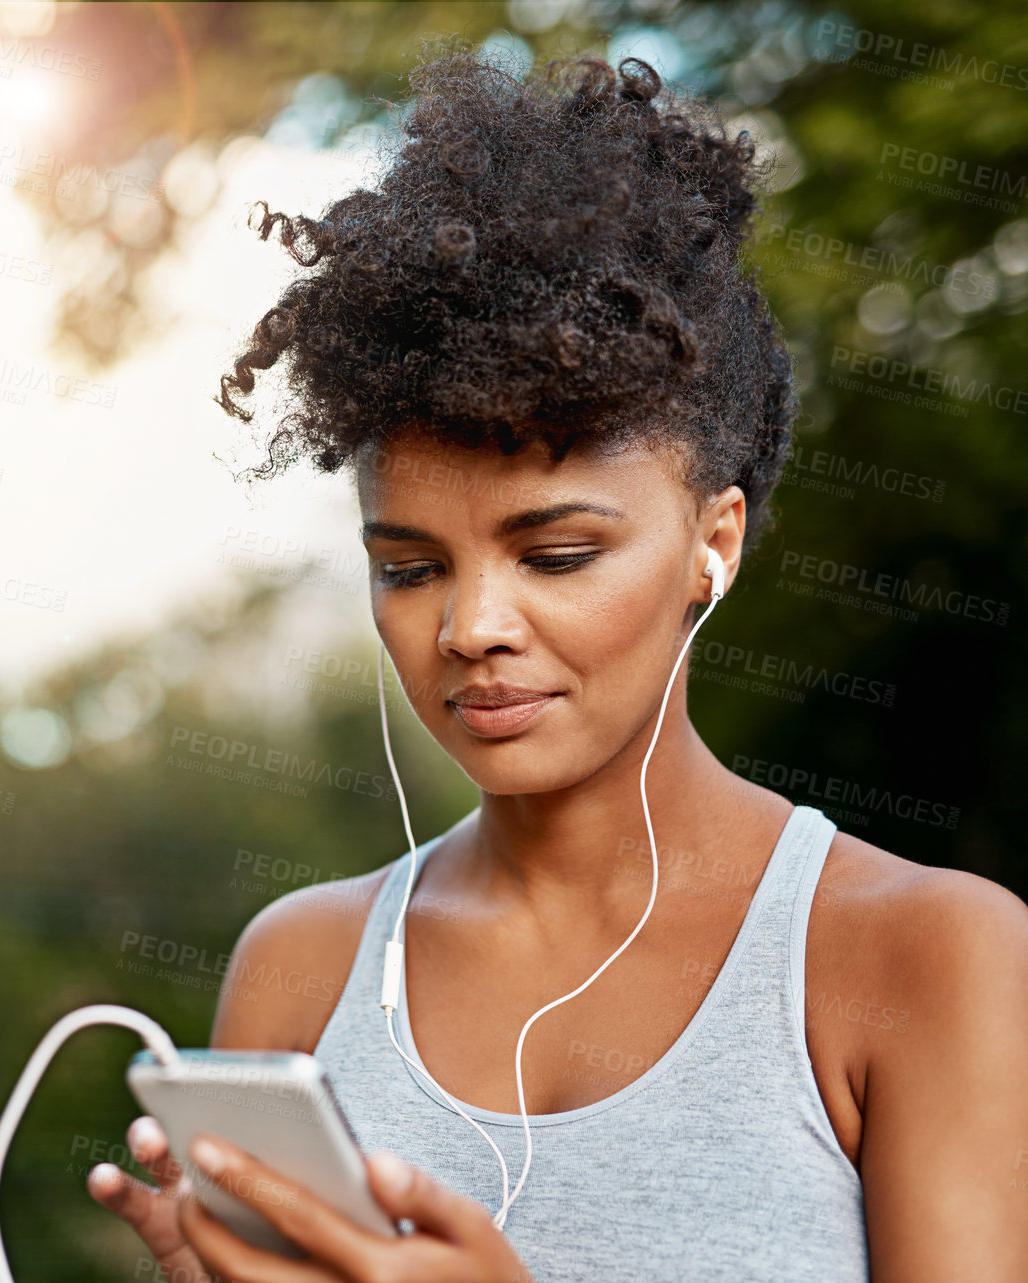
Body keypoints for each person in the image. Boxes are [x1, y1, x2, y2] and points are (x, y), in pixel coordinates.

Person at [87, 40, 1028, 1282]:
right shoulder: (300, 967)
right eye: (412, 567)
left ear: (714, 542)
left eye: (559, 554)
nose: (471, 625)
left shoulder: (926, 953)